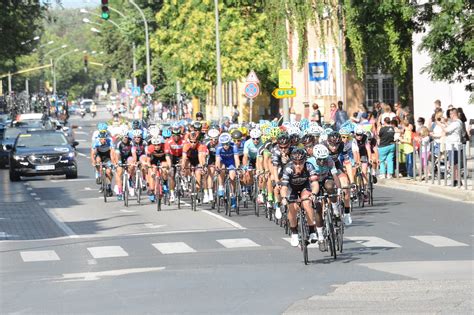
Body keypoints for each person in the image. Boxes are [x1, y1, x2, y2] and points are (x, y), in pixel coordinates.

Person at [438, 108, 463, 186]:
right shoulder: (455, 123)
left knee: (454, 164)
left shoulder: (457, 123)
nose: (449, 116)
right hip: (452, 145)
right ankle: (456, 180)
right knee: (454, 164)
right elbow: (448, 128)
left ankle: (457, 180)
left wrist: (439, 124)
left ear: (453, 114)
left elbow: (446, 130)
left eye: (450, 114)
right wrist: (445, 123)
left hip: (454, 146)